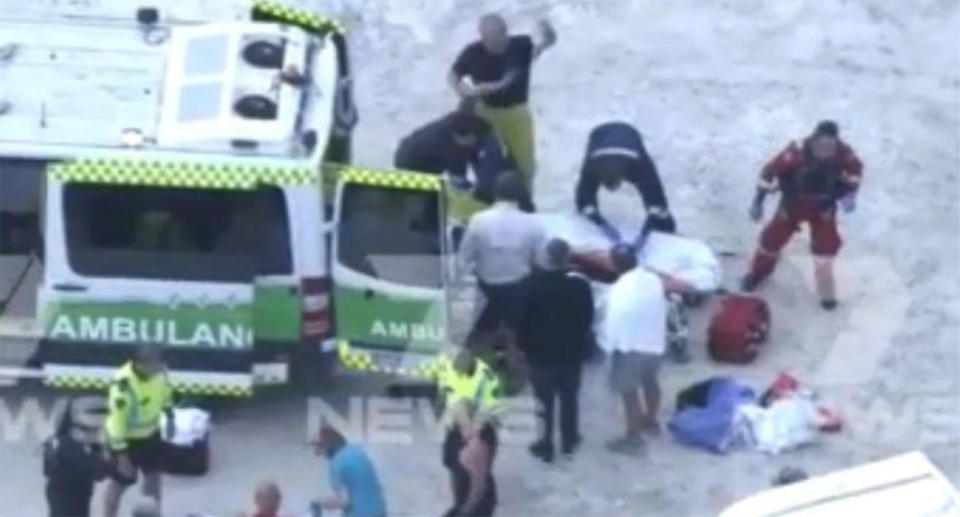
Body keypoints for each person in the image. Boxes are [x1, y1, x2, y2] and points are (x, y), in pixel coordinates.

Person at [742, 120, 864, 309]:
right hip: (793, 205)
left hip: (823, 209)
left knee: (825, 253)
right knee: (770, 242)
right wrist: (758, 201)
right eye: (820, 145)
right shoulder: (795, 153)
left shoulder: (845, 155)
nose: (824, 150)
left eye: (829, 146)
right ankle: (758, 274)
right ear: (813, 140)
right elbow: (769, 172)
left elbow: (855, 174)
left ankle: (826, 294)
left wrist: (848, 194)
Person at [449, 14, 557, 193]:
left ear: (505, 33)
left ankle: (525, 201)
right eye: (487, 40)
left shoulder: (521, 45)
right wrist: (461, 89)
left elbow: (543, 46)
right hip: (485, 112)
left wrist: (549, 35)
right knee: (488, 160)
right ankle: (489, 198)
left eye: (496, 39)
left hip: (516, 112)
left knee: (525, 163)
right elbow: (453, 75)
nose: (492, 45)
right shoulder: (473, 52)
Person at [518, 239, 594, 463]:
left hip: (540, 355)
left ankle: (545, 444)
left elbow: (521, 321)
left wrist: (524, 347)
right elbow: (587, 319)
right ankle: (569, 441)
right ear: (567, 259)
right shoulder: (580, 286)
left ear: (546, 258)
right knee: (570, 398)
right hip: (571, 353)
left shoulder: (530, 286)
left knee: (543, 402)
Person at [459, 173, 546, 343]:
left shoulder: (478, 220)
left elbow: (464, 258)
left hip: (486, 286)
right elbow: (542, 261)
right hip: (518, 288)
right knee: (515, 332)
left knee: (483, 330)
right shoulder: (533, 223)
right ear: (521, 195)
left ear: (495, 192)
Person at [601, 245, 667, 454]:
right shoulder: (653, 279)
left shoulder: (617, 290)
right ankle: (650, 420)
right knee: (651, 383)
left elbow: (612, 321)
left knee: (630, 394)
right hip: (654, 343)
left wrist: (608, 348)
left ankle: (633, 438)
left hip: (629, 346)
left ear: (614, 265)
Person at [575, 122, 676, 248]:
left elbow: (656, 201)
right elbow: (584, 199)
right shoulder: (593, 166)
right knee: (585, 203)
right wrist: (601, 223)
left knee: (658, 208)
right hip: (599, 139)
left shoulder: (639, 166)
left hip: (629, 144)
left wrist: (645, 235)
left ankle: (667, 230)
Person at [102, 345, 175, 517]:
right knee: (119, 483)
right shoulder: (123, 386)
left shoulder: (160, 373)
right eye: (156, 365)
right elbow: (117, 425)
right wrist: (122, 458)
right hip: (127, 442)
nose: (161, 368)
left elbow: (166, 392)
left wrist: (170, 416)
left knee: (154, 479)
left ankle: (153, 513)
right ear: (141, 365)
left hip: (151, 436)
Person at [43, 400, 108, 517]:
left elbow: (46, 471)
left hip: (57, 494)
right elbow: (100, 473)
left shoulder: (53, 442)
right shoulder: (82, 447)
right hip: (75, 498)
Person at [312, 425, 387, 517]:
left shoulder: (336, 462)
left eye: (318, 448)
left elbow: (343, 501)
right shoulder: (358, 452)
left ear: (326, 446)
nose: (316, 453)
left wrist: (321, 503)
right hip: (380, 511)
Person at [442, 400, 498, 517]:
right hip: (466, 500)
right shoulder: (455, 433)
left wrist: (464, 511)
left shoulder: (476, 444)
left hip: (474, 505)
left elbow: (479, 486)